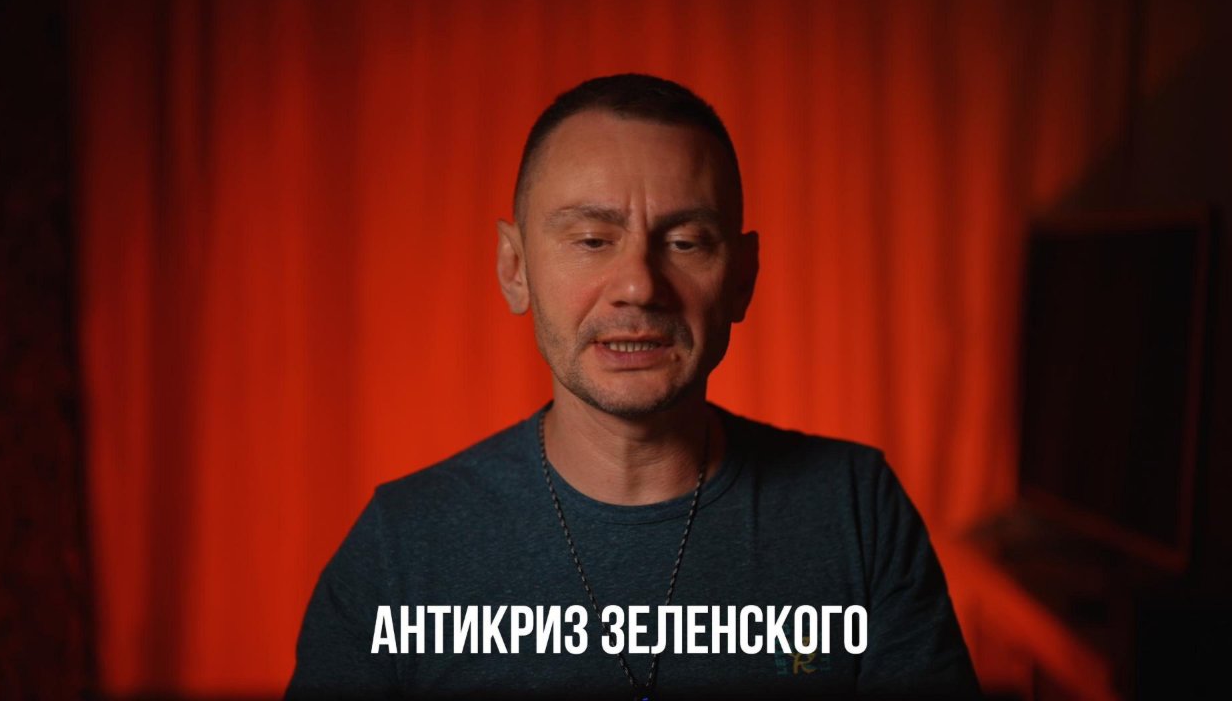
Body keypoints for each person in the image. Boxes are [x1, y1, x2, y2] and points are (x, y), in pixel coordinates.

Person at [287, 74, 979, 700]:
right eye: (592, 240)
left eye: (686, 243)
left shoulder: (855, 509)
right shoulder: (403, 545)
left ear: (742, 277)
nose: (639, 286)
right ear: (514, 268)